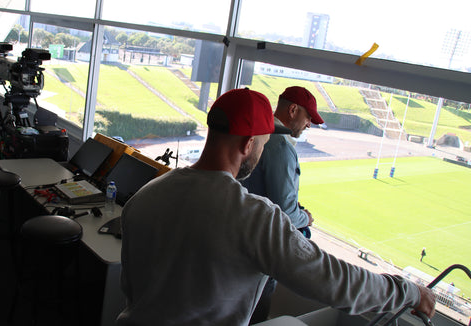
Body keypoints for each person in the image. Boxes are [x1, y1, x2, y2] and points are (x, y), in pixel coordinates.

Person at [117, 88, 436, 326]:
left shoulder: (147, 194)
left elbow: (133, 286)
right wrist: (408, 292)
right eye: (263, 145)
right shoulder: (253, 217)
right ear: (247, 145)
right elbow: (332, 280)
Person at [241, 86, 323, 323]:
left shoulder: (257, 133)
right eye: (308, 118)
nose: (309, 124)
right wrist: (305, 218)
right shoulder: (281, 147)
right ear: (293, 110)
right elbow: (285, 211)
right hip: (263, 251)